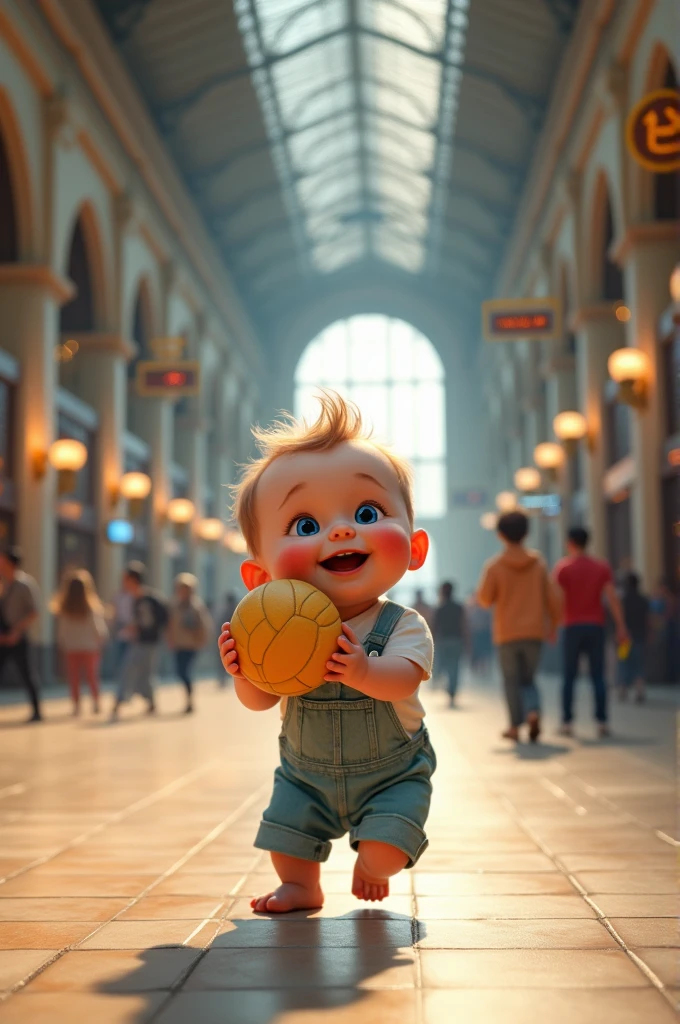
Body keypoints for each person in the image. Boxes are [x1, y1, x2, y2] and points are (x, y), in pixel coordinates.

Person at [219, 391, 435, 913]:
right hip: (305, 774)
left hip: (392, 773)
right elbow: (262, 702)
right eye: (305, 525)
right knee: (286, 838)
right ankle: (301, 884)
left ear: (415, 548)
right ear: (260, 576)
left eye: (367, 512)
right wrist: (245, 672)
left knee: (386, 850)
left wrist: (363, 669)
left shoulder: (401, 625)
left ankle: (373, 862)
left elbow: (402, 680)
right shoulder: (272, 634)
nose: (341, 531)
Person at [477, 511, 562, 743]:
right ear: (526, 533)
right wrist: (553, 625)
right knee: (528, 679)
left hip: (506, 633)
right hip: (534, 632)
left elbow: (484, 599)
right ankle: (533, 711)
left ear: (501, 535)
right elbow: (554, 599)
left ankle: (514, 727)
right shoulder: (539, 563)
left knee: (511, 681)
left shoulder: (494, 566)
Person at [554, 527, 629, 738]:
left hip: (571, 627)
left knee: (569, 676)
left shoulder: (563, 568)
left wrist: (551, 627)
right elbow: (612, 598)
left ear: (570, 543)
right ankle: (602, 721)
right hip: (596, 626)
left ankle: (567, 722)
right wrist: (621, 626)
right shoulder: (601, 567)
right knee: (598, 675)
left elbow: (556, 599)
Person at [111, 562, 169, 719]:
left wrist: (139, 629)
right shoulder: (137, 599)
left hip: (148, 643)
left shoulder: (147, 600)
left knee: (132, 670)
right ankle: (148, 702)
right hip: (141, 641)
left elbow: (153, 621)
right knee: (141, 672)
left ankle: (120, 701)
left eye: (126, 579)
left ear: (133, 580)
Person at [54, 570, 108, 715]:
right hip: (89, 647)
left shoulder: (65, 609)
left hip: (72, 647)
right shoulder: (91, 608)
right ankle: (96, 702)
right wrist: (101, 642)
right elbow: (99, 629)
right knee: (92, 676)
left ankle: (76, 705)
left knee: (74, 678)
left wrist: (62, 645)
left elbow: (62, 631)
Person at [0, 547, 43, 722]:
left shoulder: (25, 584)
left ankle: (36, 711)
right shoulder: (4, 584)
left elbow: (34, 611)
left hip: (18, 636)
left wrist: (17, 631)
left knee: (27, 673)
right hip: (3, 635)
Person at [167, 572, 213, 713]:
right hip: (179, 645)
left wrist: (202, 640)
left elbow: (204, 626)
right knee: (179, 672)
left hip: (191, 645)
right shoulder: (174, 606)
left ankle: (189, 700)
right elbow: (170, 625)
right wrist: (170, 639)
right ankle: (188, 698)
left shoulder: (196, 606)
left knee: (185, 672)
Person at [433, 581, 466, 706]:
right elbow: (464, 626)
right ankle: (452, 691)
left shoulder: (439, 609)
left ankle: (448, 688)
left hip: (443, 642)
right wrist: (468, 644)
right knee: (455, 668)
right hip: (456, 641)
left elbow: (434, 628)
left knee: (444, 667)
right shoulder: (459, 607)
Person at [619, 572, 650, 703]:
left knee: (624, 662)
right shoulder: (643, 600)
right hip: (640, 636)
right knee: (639, 664)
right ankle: (639, 690)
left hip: (625, 638)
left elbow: (618, 619)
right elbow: (648, 619)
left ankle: (623, 689)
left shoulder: (623, 600)